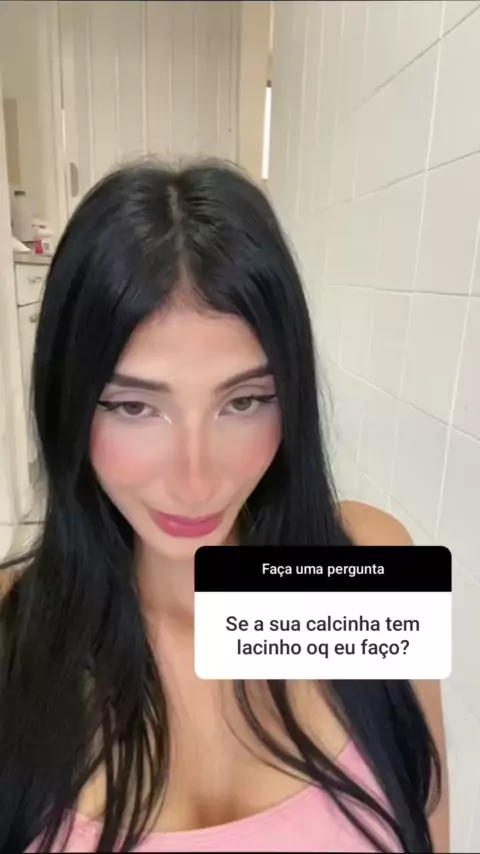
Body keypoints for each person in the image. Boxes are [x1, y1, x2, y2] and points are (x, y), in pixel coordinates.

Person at [0, 160, 449, 853]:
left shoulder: (364, 569)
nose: (196, 479)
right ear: (68, 404)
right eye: (134, 406)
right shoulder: (15, 642)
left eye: (244, 401)